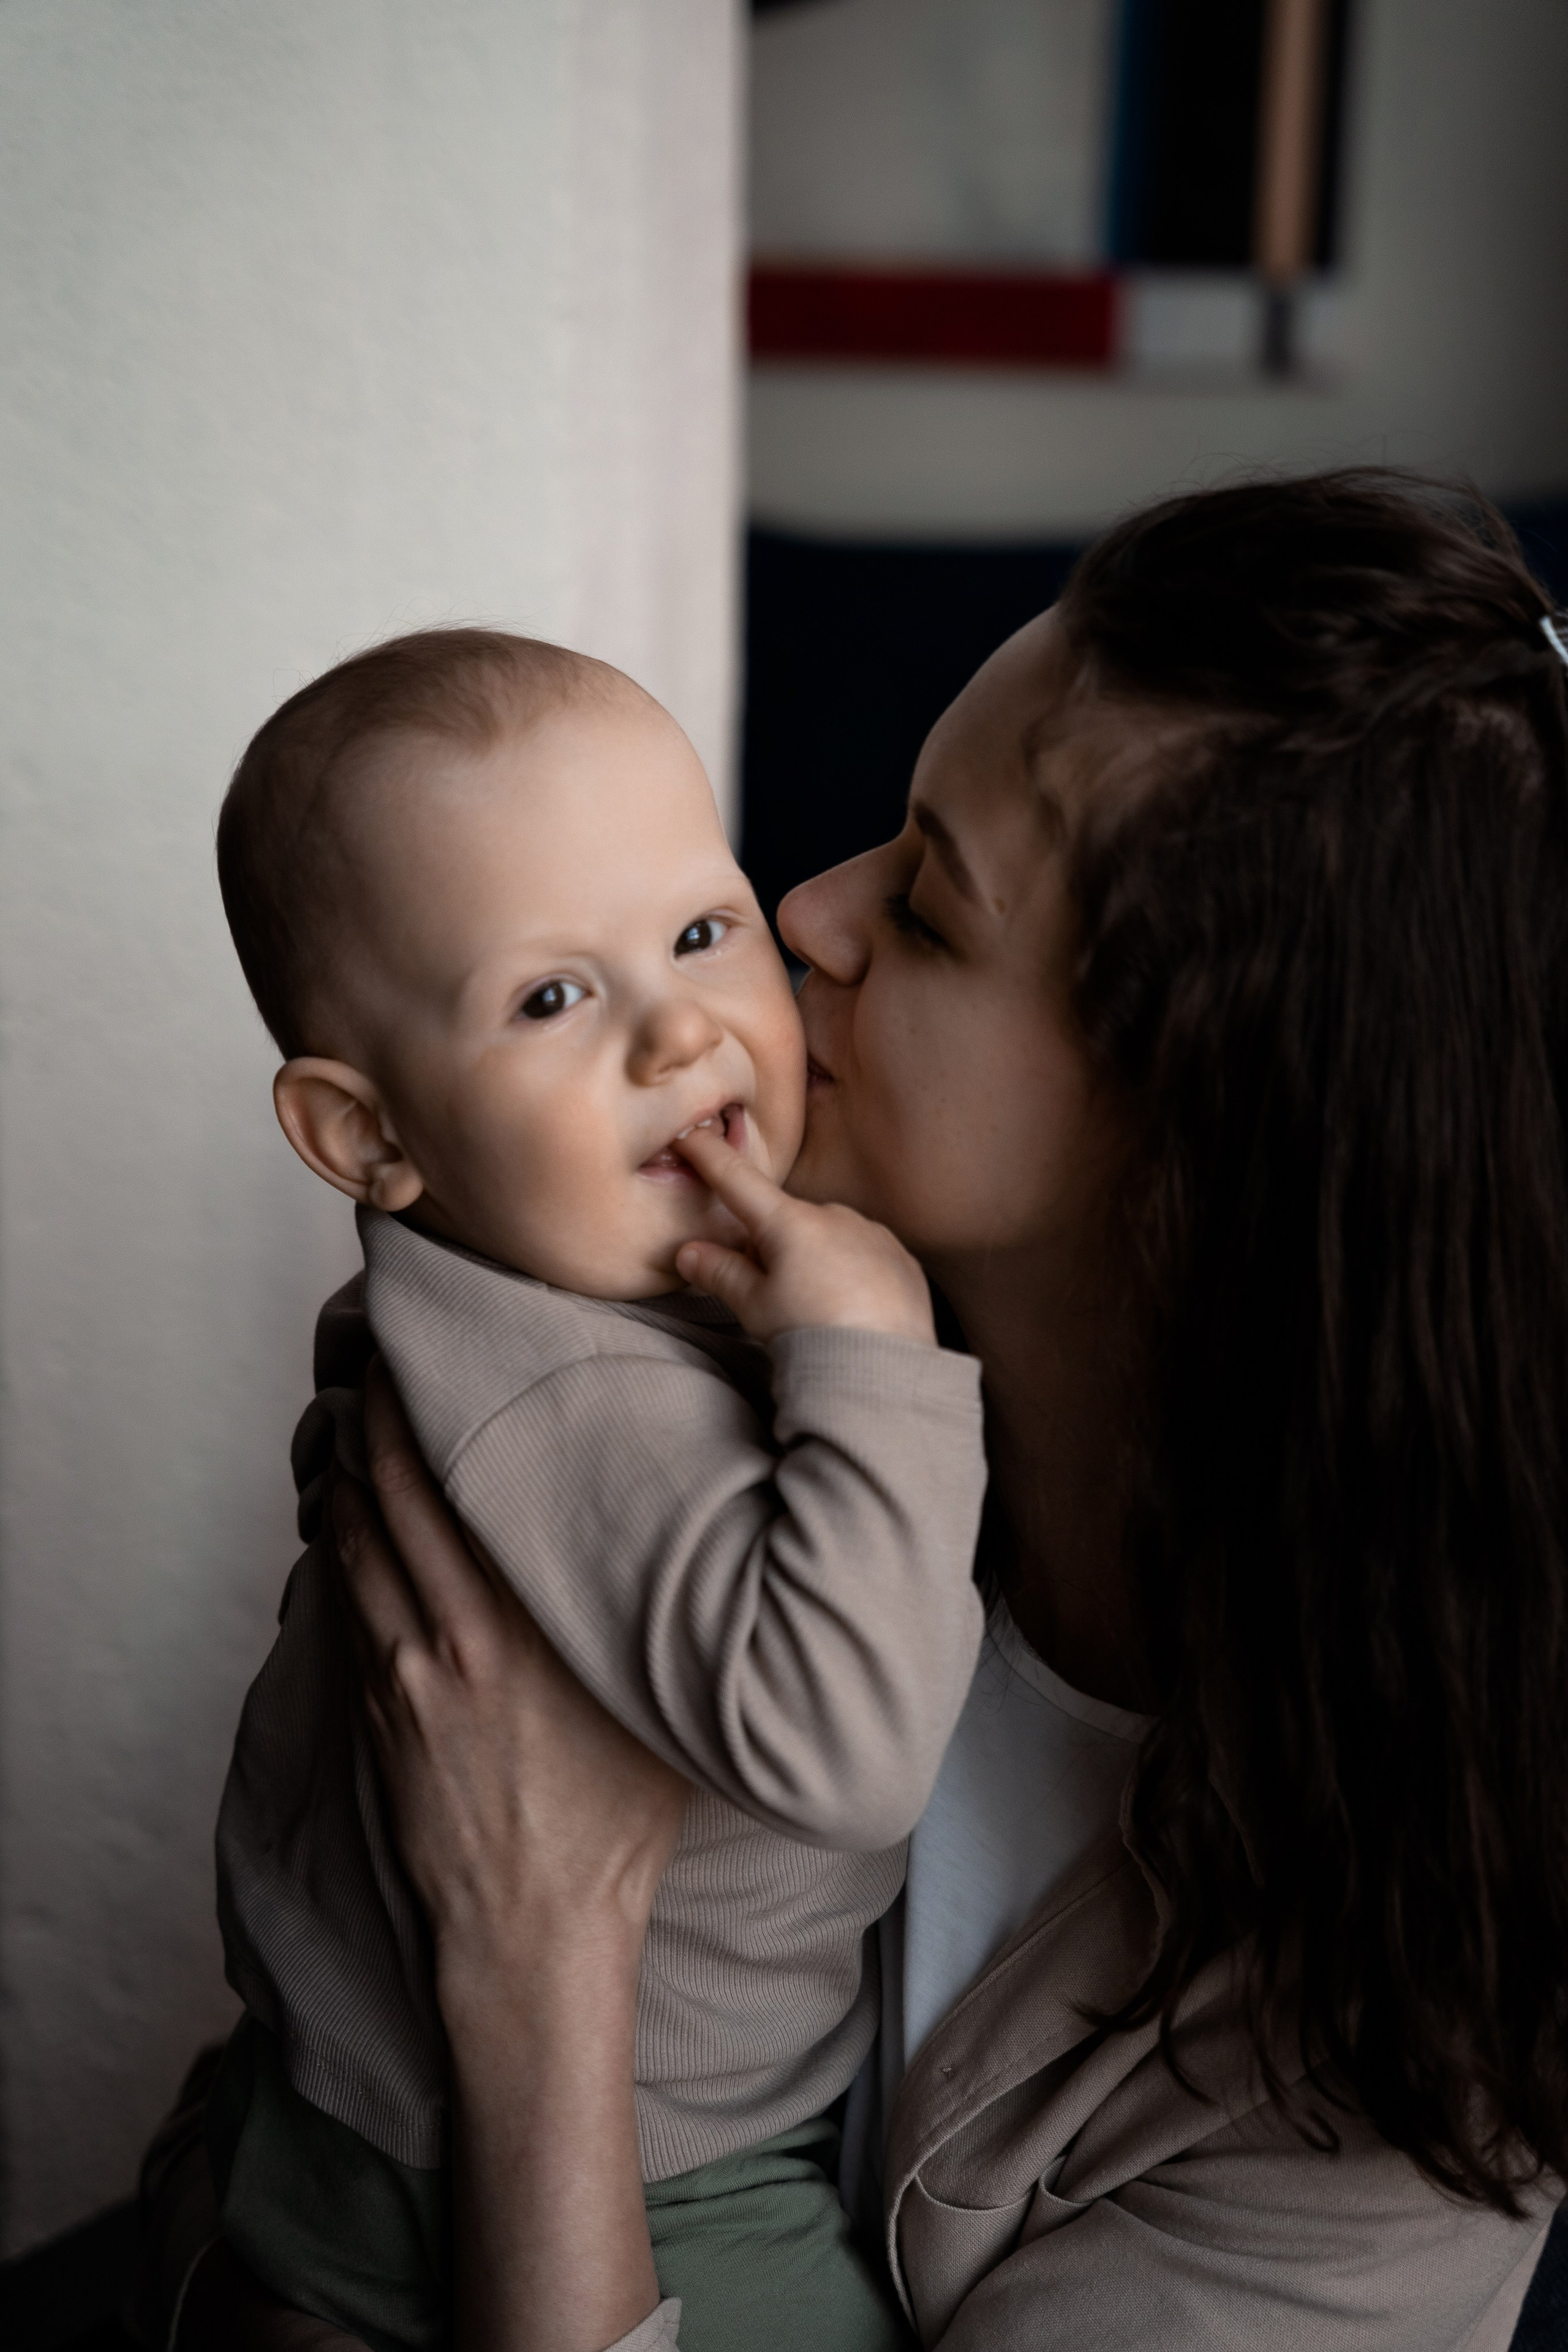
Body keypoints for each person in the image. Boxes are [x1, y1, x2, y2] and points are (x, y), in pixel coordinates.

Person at [171, 470, 1568, 2351]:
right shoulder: (685, 1331)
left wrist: (544, 1992)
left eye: (926, 904)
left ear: (1200, 1136)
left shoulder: (1409, 2043)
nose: (799, 912)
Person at [202, 631, 989, 2352]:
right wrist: (876, 1355)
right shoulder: (572, 1385)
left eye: (702, 932)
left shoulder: (510, 1311)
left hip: (382, 2129)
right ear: (368, 1140)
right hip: (620, 2180)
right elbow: (848, 1759)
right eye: (554, 997)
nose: (680, 1032)